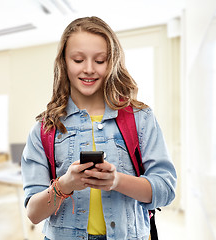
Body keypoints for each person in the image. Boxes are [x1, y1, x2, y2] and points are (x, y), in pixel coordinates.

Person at [21, 17, 177, 240]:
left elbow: (166, 190)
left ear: (111, 62)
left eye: (100, 60)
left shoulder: (141, 118)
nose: (89, 69)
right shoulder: (43, 129)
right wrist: (65, 185)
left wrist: (117, 181)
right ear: (64, 62)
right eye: (77, 59)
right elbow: (33, 213)